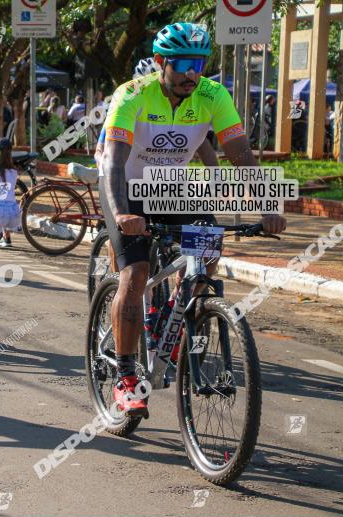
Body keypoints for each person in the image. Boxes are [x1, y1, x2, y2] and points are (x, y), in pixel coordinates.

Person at [100, 23, 286, 416]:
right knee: (134, 276)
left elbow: (239, 154)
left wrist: (268, 205)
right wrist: (122, 213)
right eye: (183, 63)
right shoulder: (132, 94)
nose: (191, 73)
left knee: (207, 256)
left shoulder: (213, 94)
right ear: (160, 63)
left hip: (171, 185)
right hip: (125, 184)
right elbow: (114, 160)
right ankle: (127, 377)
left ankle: (181, 312)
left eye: (199, 64)